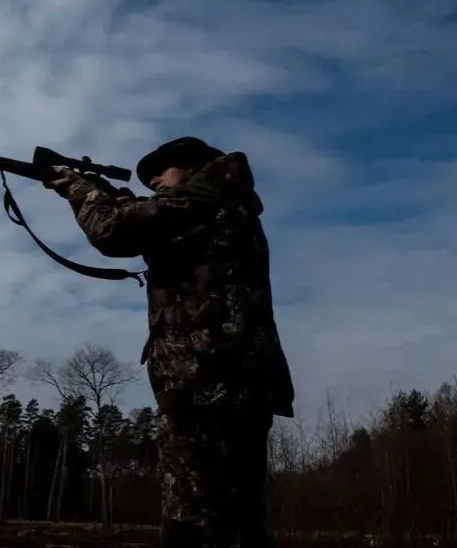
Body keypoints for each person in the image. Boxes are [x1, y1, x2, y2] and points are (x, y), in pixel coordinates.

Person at [43, 137, 296, 548]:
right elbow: (147, 221)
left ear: (194, 167)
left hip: (203, 383)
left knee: (191, 522)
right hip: (240, 384)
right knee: (238, 521)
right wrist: (111, 196)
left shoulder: (203, 201)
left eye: (162, 170)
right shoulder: (228, 204)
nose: (155, 180)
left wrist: (80, 188)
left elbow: (111, 230)